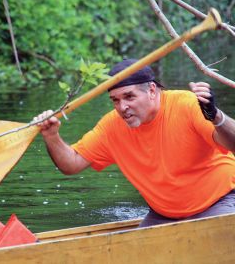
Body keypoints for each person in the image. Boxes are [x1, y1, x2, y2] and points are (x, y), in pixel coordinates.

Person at [34, 58, 235, 227]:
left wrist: (216, 117)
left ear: (152, 90)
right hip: (163, 215)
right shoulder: (111, 126)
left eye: (129, 96)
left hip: (221, 202)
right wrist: (52, 136)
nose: (122, 107)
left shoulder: (187, 104)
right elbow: (71, 164)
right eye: (115, 100)